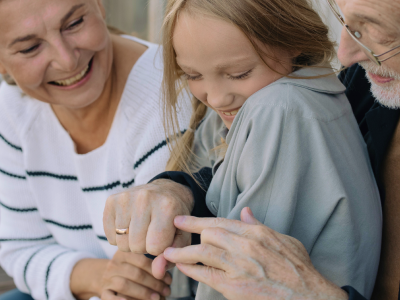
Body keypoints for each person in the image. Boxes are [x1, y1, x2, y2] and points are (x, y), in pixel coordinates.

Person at [104, 0, 400, 298]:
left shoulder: (278, 108)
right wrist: (178, 191)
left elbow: (235, 278)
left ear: (291, 40)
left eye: (240, 73)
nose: (217, 99)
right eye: (192, 76)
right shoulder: (345, 89)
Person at [0, 0, 194, 299]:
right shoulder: (12, 107)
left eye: (74, 23)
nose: (66, 61)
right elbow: (20, 248)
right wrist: (96, 276)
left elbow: (154, 279)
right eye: (29, 48)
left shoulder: (171, 98)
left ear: (100, 5)